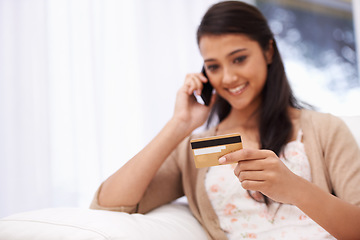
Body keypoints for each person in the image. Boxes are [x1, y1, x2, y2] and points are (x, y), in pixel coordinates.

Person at [90, 1, 360, 239]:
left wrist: (296, 190)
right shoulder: (198, 149)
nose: (228, 78)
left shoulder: (323, 129)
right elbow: (109, 204)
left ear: (268, 51)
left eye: (239, 59)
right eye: (214, 66)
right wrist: (178, 125)